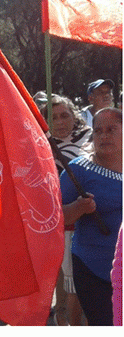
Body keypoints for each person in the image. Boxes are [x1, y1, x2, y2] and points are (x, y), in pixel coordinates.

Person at [60, 108, 122, 325]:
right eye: (98, 131)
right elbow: (54, 217)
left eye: (111, 129)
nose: (104, 135)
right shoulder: (79, 170)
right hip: (92, 269)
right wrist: (78, 208)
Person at [41, 94, 92, 326]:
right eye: (54, 117)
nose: (60, 122)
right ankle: (62, 322)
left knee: (90, 289)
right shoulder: (41, 144)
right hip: (58, 227)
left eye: (65, 115)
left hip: (92, 224)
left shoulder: (91, 138)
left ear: (75, 116)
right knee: (63, 287)